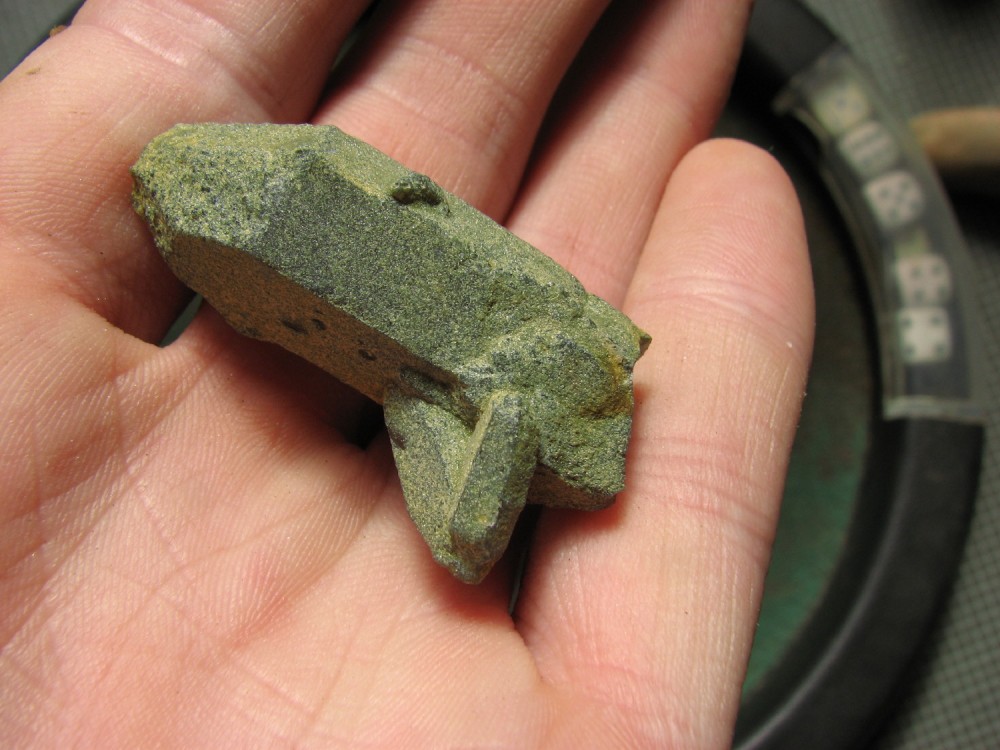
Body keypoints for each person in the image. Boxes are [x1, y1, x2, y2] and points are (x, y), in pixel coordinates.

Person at [0, 0, 813, 746]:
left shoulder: (527, 385)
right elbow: (469, 530)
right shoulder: (273, 226)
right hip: (436, 363)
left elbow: (475, 525)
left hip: (475, 381)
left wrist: (480, 416)